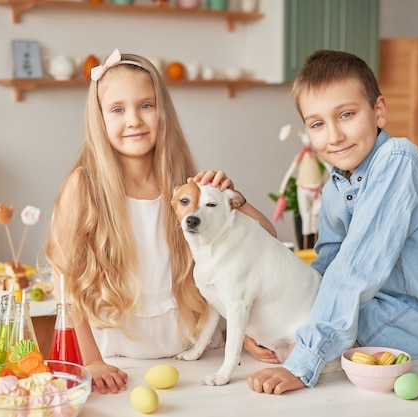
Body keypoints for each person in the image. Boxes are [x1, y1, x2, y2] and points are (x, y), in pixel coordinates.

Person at [44, 49, 275, 394]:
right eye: (118, 110)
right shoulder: (84, 185)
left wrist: (234, 200)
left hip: (197, 358)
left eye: (146, 106)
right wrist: (90, 360)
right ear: (100, 119)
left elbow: (267, 241)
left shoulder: (188, 189)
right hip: (119, 363)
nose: (134, 119)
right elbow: (65, 279)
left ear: (162, 112)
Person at [246, 49, 418, 394]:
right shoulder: (336, 184)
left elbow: (355, 269)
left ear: (379, 111)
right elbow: (326, 269)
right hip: (366, 317)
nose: (334, 136)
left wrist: (302, 362)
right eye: (317, 124)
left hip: (412, 327)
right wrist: (271, 332)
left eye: (346, 115)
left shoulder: (397, 162)